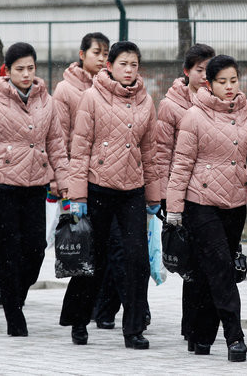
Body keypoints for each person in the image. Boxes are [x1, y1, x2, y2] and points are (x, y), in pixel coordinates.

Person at [166, 55, 247, 362]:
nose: (229, 87)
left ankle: (202, 337)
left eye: (233, 80)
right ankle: (234, 336)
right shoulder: (194, 116)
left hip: (235, 204)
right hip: (200, 204)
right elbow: (181, 165)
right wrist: (174, 208)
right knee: (222, 269)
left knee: (208, 272)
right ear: (209, 84)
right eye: (222, 82)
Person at [60, 41, 160, 350]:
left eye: (134, 65)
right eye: (123, 64)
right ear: (110, 67)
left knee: (137, 260)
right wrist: (76, 196)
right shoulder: (92, 97)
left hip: (132, 190)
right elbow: (80, 149)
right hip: (96, 187)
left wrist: (154, 197)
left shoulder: (146, 101)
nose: (129, 70)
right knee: (92, 259)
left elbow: (151, 153)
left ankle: (133, 329)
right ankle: (79, 319)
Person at [0, 42, 70, 336]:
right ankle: (15, 316)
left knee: (36, 249)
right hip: (3, 185)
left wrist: (64, 183)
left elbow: (56, 145)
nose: (26, 74)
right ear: (7, 71)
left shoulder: (47, 101)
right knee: (10, 250)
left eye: (30, 68)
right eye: (19, 69)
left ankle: (16, 295)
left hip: (36, 185)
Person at [51, 32, 124, 329]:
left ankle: (105, 309)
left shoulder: (117, 89)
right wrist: (67, 184)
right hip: (83, 182)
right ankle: (80, 312)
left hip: (114, 182)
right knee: (88, 249)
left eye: (107, 52)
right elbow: (60, 140)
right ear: (82, 54)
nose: (102, 57)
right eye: (97, 52)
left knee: (116, 250)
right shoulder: (66, 91)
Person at [156, 43, 215, 344]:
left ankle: (202, 324)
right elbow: (162, 153)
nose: (205, 76)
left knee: (210, 261)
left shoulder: (220, 102)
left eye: (209, 70)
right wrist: (167, 196)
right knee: (190, 262)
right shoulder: (171, 106)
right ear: (187, 71)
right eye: (200, 70)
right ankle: (191, 325)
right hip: (182, 193)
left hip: (213, 195)